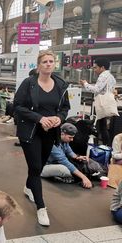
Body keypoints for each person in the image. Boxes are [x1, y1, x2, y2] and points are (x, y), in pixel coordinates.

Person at [14, 50, 70, 226]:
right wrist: (40, 118)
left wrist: (58, 118)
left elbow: (64, 108)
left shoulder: (61, 85)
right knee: (36, 166)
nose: (48, 64)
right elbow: (17, 106)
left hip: (50, 133)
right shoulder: (29, 83)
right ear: (38, 65)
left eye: (51, 61)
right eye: (44, 61)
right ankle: (41, 207)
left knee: (36, 169)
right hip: (30, 132)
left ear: (54, 64)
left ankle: (28, 186)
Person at [41, 123, 94, 188]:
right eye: (70, 137)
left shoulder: (64, 141)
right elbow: (65, 162)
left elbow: (70, 151)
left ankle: (60, 176)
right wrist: (84, 177)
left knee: (77, 165)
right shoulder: (53, 143)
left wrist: (78, 157)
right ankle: (58, 176)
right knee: (64, 169)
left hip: (55, 163)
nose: (72, 140)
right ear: (62, 134)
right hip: (43, 167)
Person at [80, 58, 117, 146]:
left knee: (101, 127)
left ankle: (103, 146)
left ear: (102, 67)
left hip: (102, 103)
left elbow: (97, 89)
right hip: (108, 103)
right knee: (103, 126)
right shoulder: (111, 76)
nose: (94, 70)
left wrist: (86, 84)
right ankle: (105, 145)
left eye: (95, 67)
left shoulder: (103, 76)